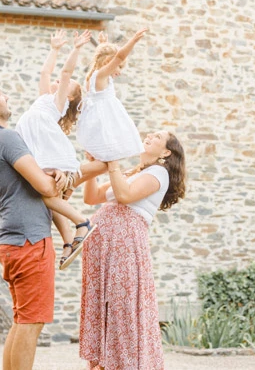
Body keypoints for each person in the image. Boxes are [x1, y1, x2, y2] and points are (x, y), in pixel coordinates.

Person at [0, 78, 61, 370]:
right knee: (31, 323)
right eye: (0, 94)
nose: (7, 96)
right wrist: (60, 177)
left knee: (22, 320)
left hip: (12, 241)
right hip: (30, 241)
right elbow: (45, 186)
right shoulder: (7, 138)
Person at [79, 130, 187, 370]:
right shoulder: (133, 173)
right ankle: (104, 363)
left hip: (124, 247)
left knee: (121, 306)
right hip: (103, 250)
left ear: (166, 152)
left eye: (157, 137)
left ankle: (121, 363)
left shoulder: (159, 172)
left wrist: (112, 163)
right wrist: (91, 166)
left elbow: (125, 196)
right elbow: (92, 196)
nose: (149, 136)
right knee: (105, 305)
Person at [15, 29, 101, 270]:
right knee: (48, 199)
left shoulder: (56, 104)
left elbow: (65, 72)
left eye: (65, 86)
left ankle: (82, 222)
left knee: (46, 195)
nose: (57, 83)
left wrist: (75, 48)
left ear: (68, 97)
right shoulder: (43, 99)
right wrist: (53, 49)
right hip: (38, 150)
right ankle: (68, 242)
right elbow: (46, 72)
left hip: (48, 153)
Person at [76, 28, 149, 162]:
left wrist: (103, 45)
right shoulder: (100, 76)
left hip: (100, 119)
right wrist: (133, 40)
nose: (120, 71)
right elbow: (119, 56)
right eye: (119, 66)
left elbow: (101, 59)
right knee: (109, 160)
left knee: (107, 160)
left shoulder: (96, 74)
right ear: (108, 62)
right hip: (104, 120)